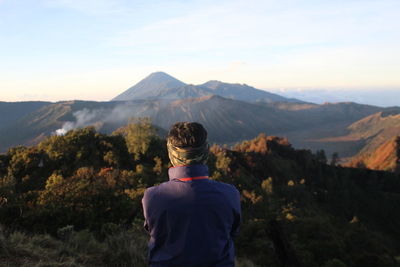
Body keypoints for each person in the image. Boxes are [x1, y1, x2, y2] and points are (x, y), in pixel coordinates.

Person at [142, 122, 241, 267]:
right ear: (205, 152)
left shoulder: (152, 197)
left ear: (171, 153)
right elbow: (233, 232)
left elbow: (152, 231)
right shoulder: (229, 194)